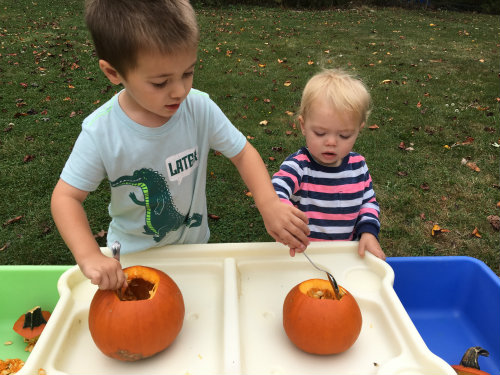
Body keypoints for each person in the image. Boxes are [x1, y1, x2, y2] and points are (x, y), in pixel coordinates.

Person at [51, 0, 310, 291]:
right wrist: (88, 255)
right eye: (161, 83)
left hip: (194, 253)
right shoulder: (101, 132)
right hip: (133, 261)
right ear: (114, 73)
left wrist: (269, 204)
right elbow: (65, 198)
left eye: (187, 73)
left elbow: (242, 153)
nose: (180, 91)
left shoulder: (199, 108)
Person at [272, 69, 386, 260]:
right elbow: (275, 190)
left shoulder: (359, 167)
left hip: (345, 255)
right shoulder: (299, 166)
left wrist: (368, 232)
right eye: (320, 133)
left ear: (359, 130)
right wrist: (281, 213)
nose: (331, 142)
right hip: (302, 255)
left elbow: (368, 203)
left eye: (344, 135)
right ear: (303, 126)